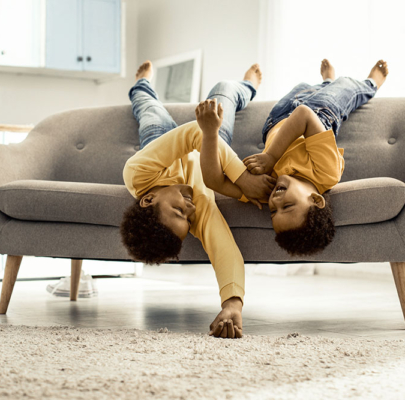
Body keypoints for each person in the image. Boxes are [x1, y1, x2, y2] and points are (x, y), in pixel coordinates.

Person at [120, 60, 276, 339]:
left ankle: (141, 84)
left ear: (148, 200)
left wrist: (243, 180)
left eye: (178, 210)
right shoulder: (197, 208)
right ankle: (245, 85)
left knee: (148, 107)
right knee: (223, 91)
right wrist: (233, 305)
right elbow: (224, 249)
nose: (191, 207)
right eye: (188, 217)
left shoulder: (137, 172)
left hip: (161, 140)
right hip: (211, 148)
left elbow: (193, 132)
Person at [239, 59, 389, 255]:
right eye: (288, 206)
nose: (275, 202)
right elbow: (303, 115)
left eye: (273, 212)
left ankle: (326, 81)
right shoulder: (325, 172)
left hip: (276, 119)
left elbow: (224, 181)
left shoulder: (269, 187)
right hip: (320, 111)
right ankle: (371, 83)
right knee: (346, 86)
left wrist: (244, 183)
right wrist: (270, 157)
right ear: (316, 200)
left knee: (303, 87)